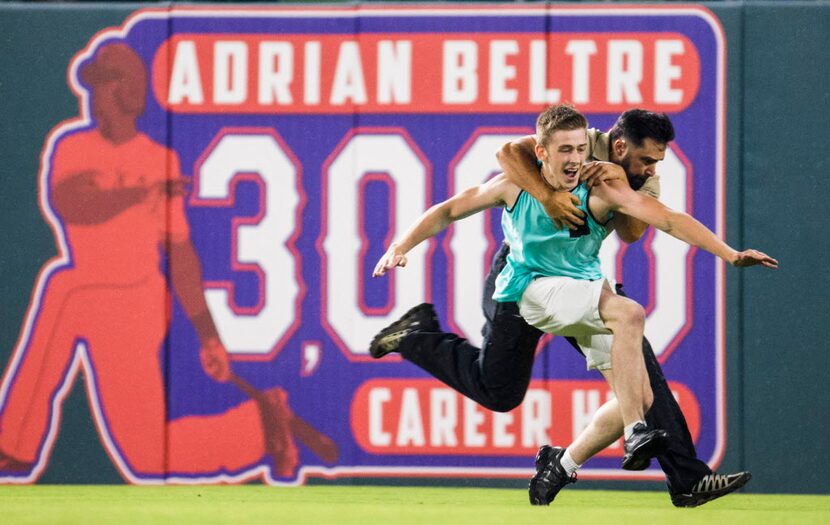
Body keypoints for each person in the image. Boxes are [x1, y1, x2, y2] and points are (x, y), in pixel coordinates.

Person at [371, 104, 776, 504]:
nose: (576, 158)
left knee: (641, 390)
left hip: (581, 282)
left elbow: (659, 220)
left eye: (580, 150)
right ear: (544, 151)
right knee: (517, 382)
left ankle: (566, 463)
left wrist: (728, 252)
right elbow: (460, 199)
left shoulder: (608, 180)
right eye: (566, 150)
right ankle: (417, 335)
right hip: (525, 285)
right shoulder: (522, 176)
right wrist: (400, 245)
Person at [0, 42, 335, 482]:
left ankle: (13, 446)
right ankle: (256, 430)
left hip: (135, 299)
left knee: (65, 290)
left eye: (104, 84)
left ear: (127, 91)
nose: (94, 94)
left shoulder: (158, 159)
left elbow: (181, 256)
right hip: (92, 291)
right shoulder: (73, 146)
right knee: (144, 452)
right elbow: (74, 202)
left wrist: (208, 336)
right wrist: (143, 193)